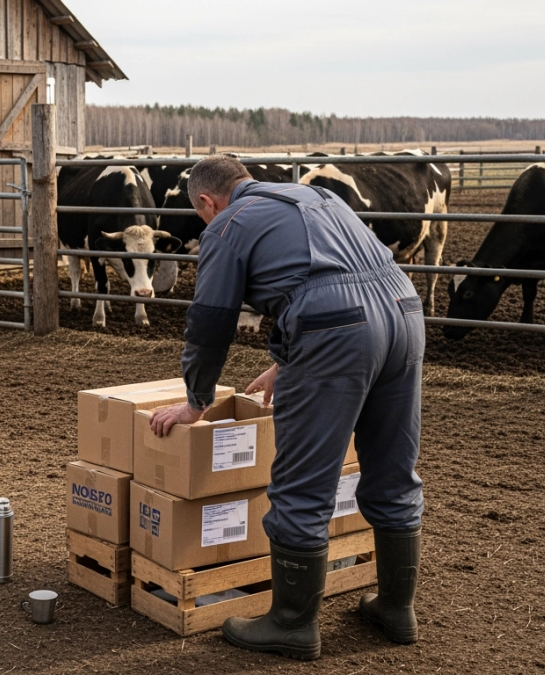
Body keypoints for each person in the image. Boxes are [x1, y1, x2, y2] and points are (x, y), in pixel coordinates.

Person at [150, 155, 425, 660]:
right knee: (393, 467)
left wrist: (196, 401)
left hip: (337, 330)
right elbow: (333, 275)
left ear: (207, 202)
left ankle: (292, 623)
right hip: (404, 312)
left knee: (303, 481)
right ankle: (396, 607)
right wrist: (284, 359)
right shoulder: (315, 195)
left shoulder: (228, 224)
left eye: (201, 214)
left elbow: (210, 324)